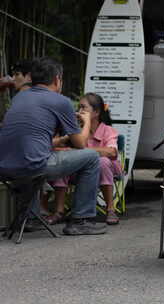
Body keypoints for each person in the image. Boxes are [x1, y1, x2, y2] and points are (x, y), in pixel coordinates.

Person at [0, 57, 106, 235]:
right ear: (57, 79)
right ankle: (81, 220)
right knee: (91, 158)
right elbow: (80, 144)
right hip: (32, 166)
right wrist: (87, 121)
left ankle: (29, 218)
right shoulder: (60, 101)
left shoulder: (20, 97)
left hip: (4, 166)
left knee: (29, 156)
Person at [48, 93, 122, 225]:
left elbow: (111, 152)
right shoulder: (76, 131)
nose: (79, 111)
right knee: (63, 161)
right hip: (78, 173)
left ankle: (110, 209)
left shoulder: (108, 130)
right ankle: (59, 211)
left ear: (96, 112)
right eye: (78, 108)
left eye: (83, 108)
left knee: (102, 161)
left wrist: (81, 153)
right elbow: (59, 149)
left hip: (104, 171)